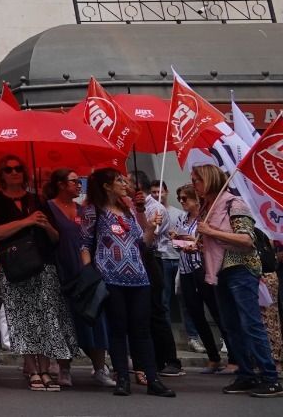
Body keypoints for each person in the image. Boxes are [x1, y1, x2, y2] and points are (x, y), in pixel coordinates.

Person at [81, 167, 175, 398]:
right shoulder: (94, 211)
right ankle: (122, 377)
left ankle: (152, 378)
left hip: (139, 277)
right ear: (106, 186)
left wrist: (151, 226)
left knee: (142, 330)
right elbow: (84, 244)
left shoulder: (129, 210)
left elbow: (143, 242)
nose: (125, 183)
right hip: (111, 277)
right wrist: (89, 273)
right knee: (118, 329)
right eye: (119, 180)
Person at [0, 156, 73, 391]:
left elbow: (55, 237)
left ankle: (45, 369)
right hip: (16, 267)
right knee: (22, 318)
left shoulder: (38, 200)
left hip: (43, 264)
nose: (14, 173)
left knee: (45, 318)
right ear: (1, 174)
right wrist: (27, 221)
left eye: (18, 169)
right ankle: (32, 370)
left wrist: (44, 225)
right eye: (8, 169)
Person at [194, 163, 281, 397]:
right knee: (231, 326)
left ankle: (270, 376)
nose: (195, 185)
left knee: (250, 324)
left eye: (197, 180)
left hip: (240, 268)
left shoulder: (234, 203)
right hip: (219, 271)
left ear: (210, 180)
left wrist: (210, 232)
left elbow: (246, 239)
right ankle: (246, 374)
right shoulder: (207, 208)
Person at [43, 168, 111, 387]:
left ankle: (100, 368)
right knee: (64, 319)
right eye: (74, 181)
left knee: (95, 317)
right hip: (62, 269)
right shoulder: (49, 208)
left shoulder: (84, 210)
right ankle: (64, 368)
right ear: (61, 184)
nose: (78, 185)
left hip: (86, 271)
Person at [171, 182, 227, 373]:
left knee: (216, 311)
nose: (181, 202)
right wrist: (177, 239)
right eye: (179, 198)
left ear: (196, 199)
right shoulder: (181, 218)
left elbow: (209, 242)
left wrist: (190, 241)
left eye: (185, 198)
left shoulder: (205, 218)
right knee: (195, 313)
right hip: (186, 269)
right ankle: (213, 356)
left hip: (202, 267)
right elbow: (176, 243)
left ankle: (234, 354)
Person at [132, 170, 183, 378]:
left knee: (157, 310)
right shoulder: (129, 205)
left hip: (153, 260)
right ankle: (152, 358)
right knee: (143, 312)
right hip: (136, 261)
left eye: (127, 182)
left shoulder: (155, 207)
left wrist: (144, 215)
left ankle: (171, 360)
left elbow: (149, 236)